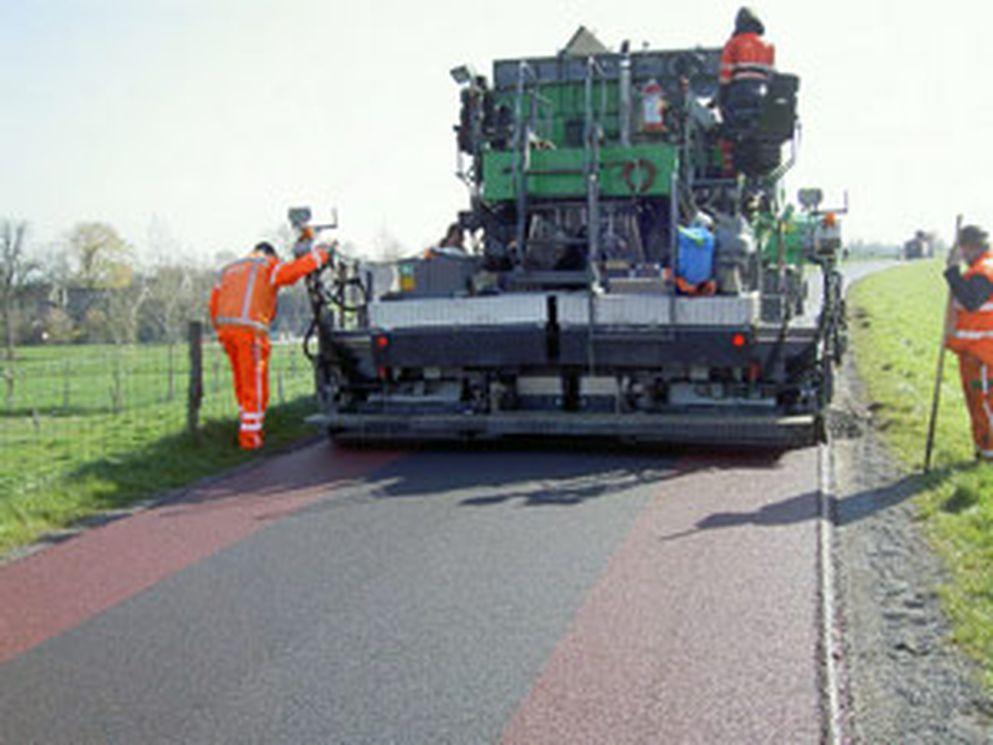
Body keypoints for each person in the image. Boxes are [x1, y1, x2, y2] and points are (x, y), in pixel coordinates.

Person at [209, 239, 330, 450]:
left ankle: (245, 426)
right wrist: (321, 255)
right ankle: (250, 438)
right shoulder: (267, 266)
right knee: (254, 384)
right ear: (270, 254)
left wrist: (219, 331)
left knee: (241, 381)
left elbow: (213, 302)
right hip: (251, 331)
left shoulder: (230, 268)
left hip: (226, 329)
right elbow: (292, 272)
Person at [944, 224, 993, 460]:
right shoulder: (983, 267)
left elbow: (971, 300)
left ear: (970, 247)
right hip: (978, 353)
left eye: (962, 249)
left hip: (983, 354)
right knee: (980, 403)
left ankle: (989, 453)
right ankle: (985, 450)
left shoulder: (983, 271)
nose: (961, 255)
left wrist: (952, 271)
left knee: (984, 404)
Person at [719, 8, 776, 174]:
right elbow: (772, 77)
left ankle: (729, 169)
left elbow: (725, 77)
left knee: (726, 129)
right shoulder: (768, 46)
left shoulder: (733, 44)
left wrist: (721, 100)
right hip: (762, 98)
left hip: (740, 95)